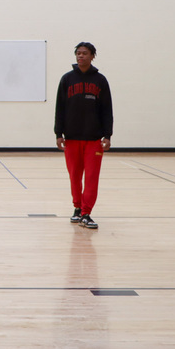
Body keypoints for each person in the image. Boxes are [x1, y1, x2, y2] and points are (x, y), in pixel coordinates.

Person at [54, 42, 113, 230]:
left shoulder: (100, 81)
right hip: (71, 138)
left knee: (92, 177)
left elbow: (107, 109)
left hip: (94, 139)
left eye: (85, 53)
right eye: (78, 53)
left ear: (92, 56)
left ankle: (87, 213)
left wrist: (107, 135)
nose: (81, 56)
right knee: (74, 176)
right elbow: (60, 108)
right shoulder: (67, 79)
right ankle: (77, 209)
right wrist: (58, 133)